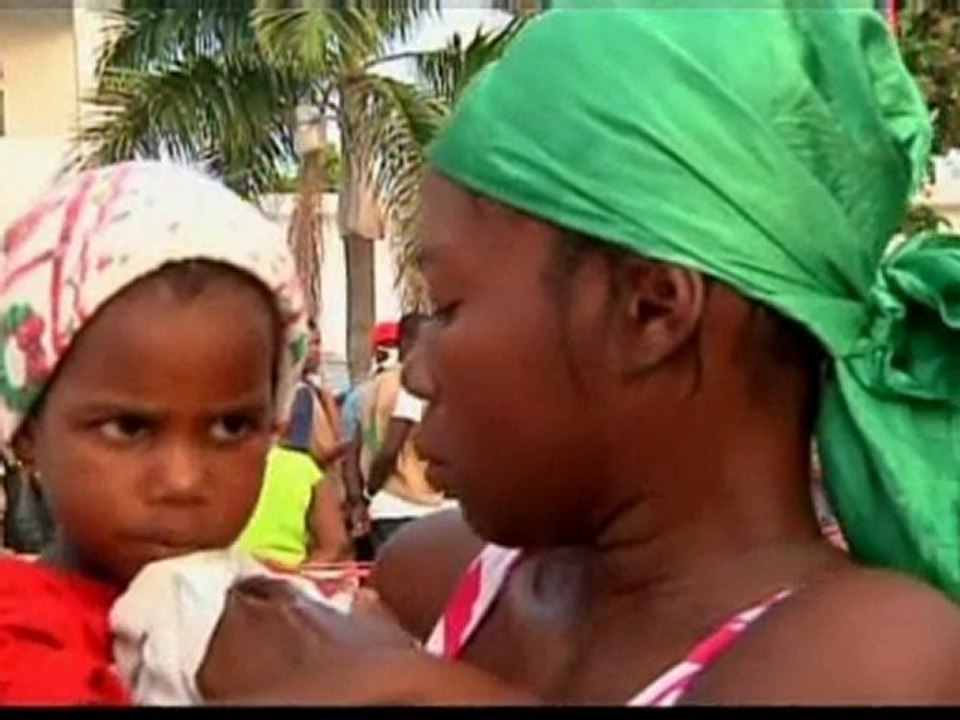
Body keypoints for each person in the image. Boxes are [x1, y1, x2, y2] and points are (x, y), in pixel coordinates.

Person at [198, 4, 960, 705]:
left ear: (651, 309)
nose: (420, 370)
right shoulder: (439, 576)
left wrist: (410, 691)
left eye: (451, 306)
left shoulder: (880, 653)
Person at [0, 160, 308, 705]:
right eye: (130, 428)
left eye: (231, 426)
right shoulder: (19, 644)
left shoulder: (277, 609)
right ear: (27, 428)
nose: (183, 481)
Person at [358, 313, 456, 553]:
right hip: (413, 505)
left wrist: (367, 493)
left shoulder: (376, 385)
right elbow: (391, 446)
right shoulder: (412, 384)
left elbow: (360, 441)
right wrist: (372, 488)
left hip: (387, 506)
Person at [236, 421, 352, 567]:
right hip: (286, 576)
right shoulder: (303, 467)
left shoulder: (211, 468)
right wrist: (296, 577)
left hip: (219, 578)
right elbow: (335, 545)